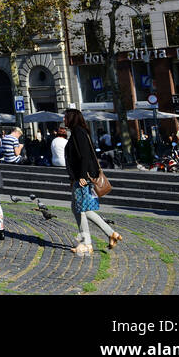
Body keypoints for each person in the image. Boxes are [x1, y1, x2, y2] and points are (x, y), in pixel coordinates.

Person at [64, 108, 121, 254]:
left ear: (72, 118)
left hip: (83, 177)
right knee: (84, 209)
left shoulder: (78, 132)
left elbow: (84, 156)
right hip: (80, 177)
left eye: (65, 117)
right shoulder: (79, 132)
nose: (64, 120)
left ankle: (85, 243)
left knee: (79, 210)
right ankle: (111, 234)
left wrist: (81, 177)